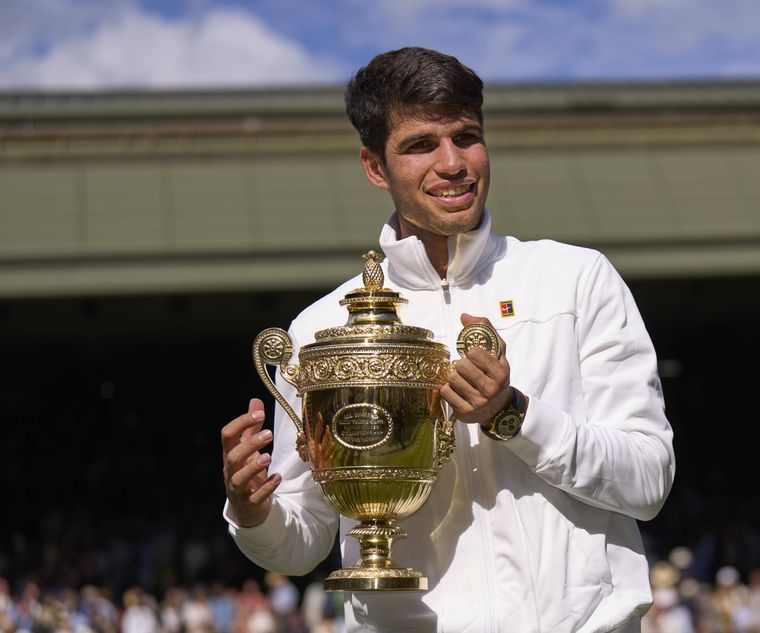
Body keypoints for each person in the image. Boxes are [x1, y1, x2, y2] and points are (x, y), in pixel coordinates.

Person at [222, 46, 675, 632]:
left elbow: (648, 481)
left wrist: (512, 416)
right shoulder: (321, 328)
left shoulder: (576, 280)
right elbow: (303, 541)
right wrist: (252, 513)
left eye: (466, 136)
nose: (453, 163)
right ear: (375, 167)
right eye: (420, 145)